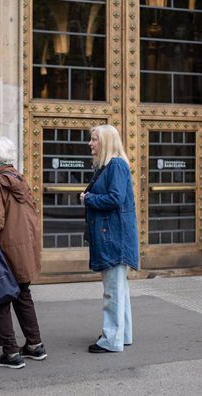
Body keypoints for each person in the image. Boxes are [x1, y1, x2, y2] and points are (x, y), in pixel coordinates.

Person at [0, 136, 46, 369]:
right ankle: (35, 345)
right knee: (23, 295)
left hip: (3, 250)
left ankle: (11, 353)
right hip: (22, 248)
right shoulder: (18, 178)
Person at [79, 124, 139, 353]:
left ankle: (111, 339)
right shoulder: (112, 165)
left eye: (94, 139)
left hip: (113, 238)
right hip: (113, 236)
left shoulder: (115, 165)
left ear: (105, 142)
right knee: (118, 289)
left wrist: (89, 198)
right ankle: (122, 335)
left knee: (112, 291)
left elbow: (115, 198)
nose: (90, 144)